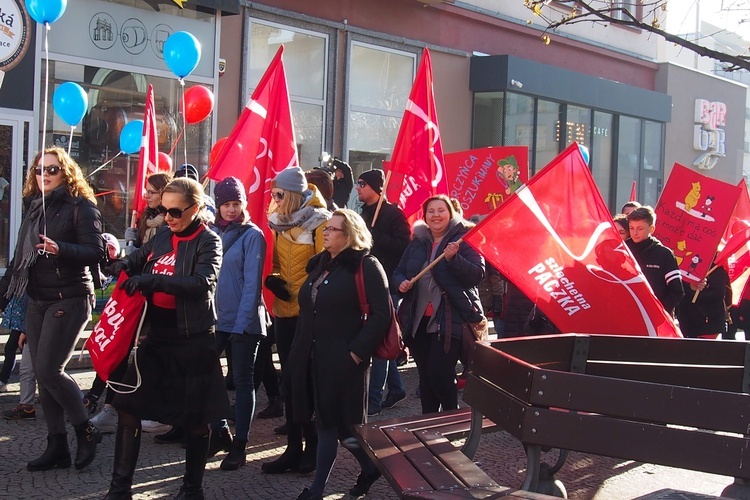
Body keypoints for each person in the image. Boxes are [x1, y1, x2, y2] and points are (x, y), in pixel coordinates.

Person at [102, 177, 229, 499]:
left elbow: (203, 283)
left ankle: (192, 489)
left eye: (175, 211)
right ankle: (119, 490)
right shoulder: (162, 234)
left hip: (192, 339)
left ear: (196, 208)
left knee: (196, 420)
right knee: (127, 407)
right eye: (162, 210)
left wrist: (153, 281)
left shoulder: (209, 240)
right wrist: (121, 264)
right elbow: (139, 255)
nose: (168, 217)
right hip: (157, 338)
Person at [0, 146, 105, 471]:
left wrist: (62, 249)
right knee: (44, 378)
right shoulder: (34, 208)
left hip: (70, 297)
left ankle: (85, 430)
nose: (43, 175)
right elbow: (19, 261)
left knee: (48, 370)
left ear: (66, 173)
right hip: (36, 298)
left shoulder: (81, 206)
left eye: (51, 170)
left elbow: (95, 251)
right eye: (39, 169)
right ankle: (57, 445)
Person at [290, 209, 389, 500]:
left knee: (334, 424)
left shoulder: (366, 265)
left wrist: (356, 353)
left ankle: (317, 490)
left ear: (349, 235)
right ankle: (370, 468)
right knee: (338, 426)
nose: (326, 232)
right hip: (312, 357)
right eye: (326, 228)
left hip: (344, 360)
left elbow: (381, 314)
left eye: (333, 229)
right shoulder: (320, 264)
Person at [90, 172, 173, 436]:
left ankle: (149, 411)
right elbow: (142, 253)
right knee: (119, 347)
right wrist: (129, 253)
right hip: (135, 291)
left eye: (151, 191)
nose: (145, 195)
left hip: (154, 295)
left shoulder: (169, 223)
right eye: (145, 190)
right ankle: (109, 406)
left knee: (146, 353)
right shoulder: (145, 218)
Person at [261, 166, 331, 475]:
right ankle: (292, 447)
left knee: (307, 381)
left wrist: (304, 290)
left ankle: (313, 447)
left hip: (309, 313)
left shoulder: (320, 221)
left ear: (291, 194)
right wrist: (273, 280)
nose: (274, 200)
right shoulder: (280, 221)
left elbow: (325, 269)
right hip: (283, 311)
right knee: (289, 381)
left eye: (278, 194)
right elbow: (277, 264)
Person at [393, 195, 485, 414]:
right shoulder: (418, 242)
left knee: (439, 373)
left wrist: (454, 259)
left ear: (450, 213)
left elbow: (477, 275)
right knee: (425, 377)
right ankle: (429, 421)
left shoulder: (464, 239)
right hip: (418, 320)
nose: (436, 215)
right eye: (431, 211)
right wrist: (401, 283)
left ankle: (451, 415)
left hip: (450, 318)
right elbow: (398, 271)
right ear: (424, 216)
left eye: (441, 210)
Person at [208, 176, 268, 471]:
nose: (231, 209)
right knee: (205, 375)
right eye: (226, 204)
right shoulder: (211, 233)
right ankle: (219, 431)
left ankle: (240, 443)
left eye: (236, 203)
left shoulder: (252, 235)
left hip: (244, 320)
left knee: (243, 382)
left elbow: (252, 285)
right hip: (215, 319)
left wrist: (243, 323)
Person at [356, 169, 410, 416]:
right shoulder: (363, 213)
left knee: (379, 338)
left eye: (362, 184)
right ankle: (396, 387)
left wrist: (379, 238)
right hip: (365, 283)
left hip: (387, 284)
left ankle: (373, 400)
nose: (357, 188)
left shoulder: (393, 214)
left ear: (377, 188)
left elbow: (403, 247)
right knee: (383, 340)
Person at [626, 206, 684, 316]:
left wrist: (658, 311)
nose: (635, 233)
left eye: (640, 228)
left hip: (654, 319)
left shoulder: (664, 254)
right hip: (626, 315)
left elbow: (677, 291)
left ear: (651, 229)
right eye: (631, 228)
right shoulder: (623, 250)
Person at [0, 298, 36, 420]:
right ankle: (27, 406)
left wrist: (25, 329)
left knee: (33, 368)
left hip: (31, 322)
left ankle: (83, 401)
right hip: (26, 322)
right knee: (29, 367)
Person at [677, 264, 730, 339]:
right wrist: (690, 287)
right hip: (687, 322)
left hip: (709, 323)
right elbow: (677, 290)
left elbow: (719, 294)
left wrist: (695, 292)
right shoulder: (683, 267)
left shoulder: (717, 269)